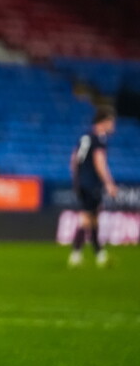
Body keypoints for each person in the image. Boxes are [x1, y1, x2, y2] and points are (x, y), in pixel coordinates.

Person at [69, 106, 118, 268]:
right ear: (104, 122)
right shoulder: (99, 139)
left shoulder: (84, 137)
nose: (113, 126)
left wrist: (77, 179)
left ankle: (99, 253)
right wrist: (109, 183)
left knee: (94, 217)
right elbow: (99, 162)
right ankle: (76, 253)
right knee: (87, 218)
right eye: (111, 122)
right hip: (92, 183)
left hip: (82, 182)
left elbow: (73, 159)